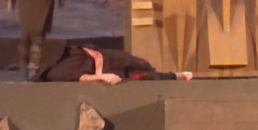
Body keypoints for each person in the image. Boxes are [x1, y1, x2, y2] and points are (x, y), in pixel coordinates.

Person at [32, 43, 193, 84]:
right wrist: (103, 76)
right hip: (102, 70)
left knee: (140, 63)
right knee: (145, 76)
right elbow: (82, 78)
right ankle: (176, 76)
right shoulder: (56, 72)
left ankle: (169, 73)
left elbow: (85, 49)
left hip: (105, 57)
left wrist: (96, 54)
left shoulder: (67, 51)